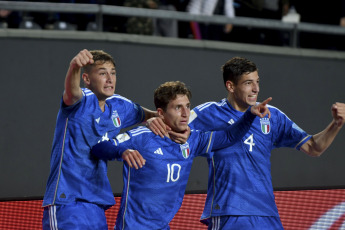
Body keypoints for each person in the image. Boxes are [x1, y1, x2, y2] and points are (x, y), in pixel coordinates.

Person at [187, 57, 345, 229]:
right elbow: (170, 126)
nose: (256, 89)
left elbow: (314, 147)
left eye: (257, 82)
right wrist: (152, 120)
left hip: (267, 214)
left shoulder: (272, 116)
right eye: (248, 83)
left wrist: (336, 125)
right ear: (231, 86)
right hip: (229, 212)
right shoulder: (208, 113)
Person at [91, 81, 272, 229]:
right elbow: (99, 148)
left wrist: (249, 116)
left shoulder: (192, 140)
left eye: (187, 106)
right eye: (178, 108)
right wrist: (122, 151)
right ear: (160, 113)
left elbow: (229, 136)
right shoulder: (142, 136)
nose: (186, 113)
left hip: (164, 226)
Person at [42, 49, 159, 230]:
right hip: (67, 202)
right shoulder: (80, 100)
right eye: (103, 73)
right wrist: (74, 66)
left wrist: (154, 119)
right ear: (87, 79)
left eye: (112, 73)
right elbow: (71, 92)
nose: (110, 79)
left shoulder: (119, 105)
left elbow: (149, 115)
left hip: (96, 205)